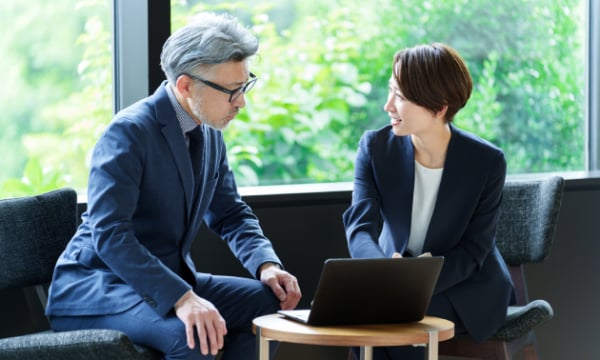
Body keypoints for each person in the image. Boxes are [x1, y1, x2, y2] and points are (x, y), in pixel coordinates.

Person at [46, 12, 301, 360]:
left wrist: (266, 265)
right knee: (194, 335)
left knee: (269, 304)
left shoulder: (210, 130)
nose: (241, 102)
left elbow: (230, 214)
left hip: (168, 277)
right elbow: (110, 234)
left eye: (245, 86)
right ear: (185, 86)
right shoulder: (129, 132)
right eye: (232, 91)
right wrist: (182, 298)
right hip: (99, 286)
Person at [342, 43, 515, 359]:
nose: (388, 105)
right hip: (389, 285)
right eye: (391, 91)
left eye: (402, 97)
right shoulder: (374, 148)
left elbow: (475, 249)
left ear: (439, 107)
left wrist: (416, 284)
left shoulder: (486, 162)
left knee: (396, 322)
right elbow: (360, 227)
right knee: (359, 318)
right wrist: (388, 277)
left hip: (463, 286)